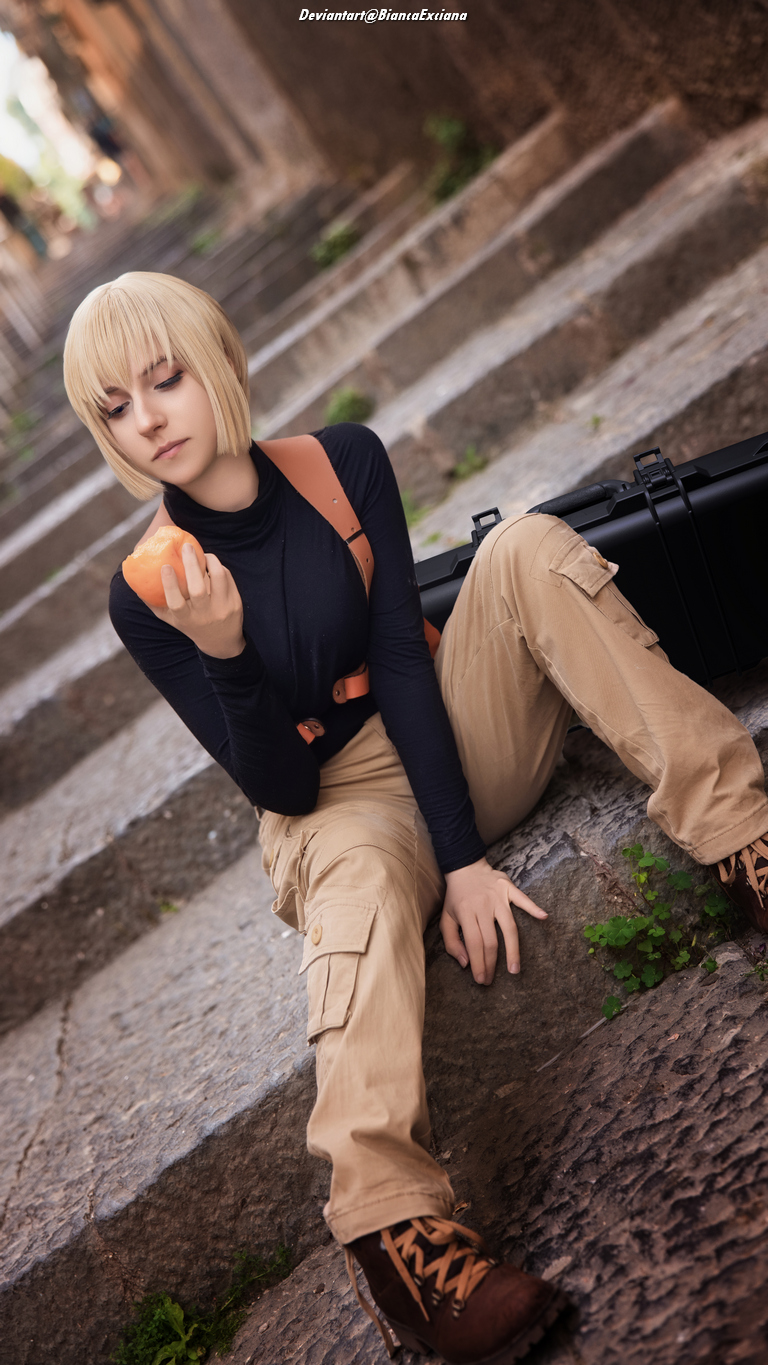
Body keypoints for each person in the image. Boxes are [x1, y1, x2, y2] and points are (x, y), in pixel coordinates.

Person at [63, 271, 768, 1364]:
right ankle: (399, 1240)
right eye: (113, 405)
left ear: (221, 365)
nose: (148, 417)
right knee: (349, 869)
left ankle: (744, 840)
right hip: (331, 805)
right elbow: (281, 791)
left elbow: (400, 654)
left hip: (445, 732)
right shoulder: (147, 590)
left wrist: (466, 857)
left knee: (529, 546)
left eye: (165, 379)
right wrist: (223, 651)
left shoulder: (342, 464)